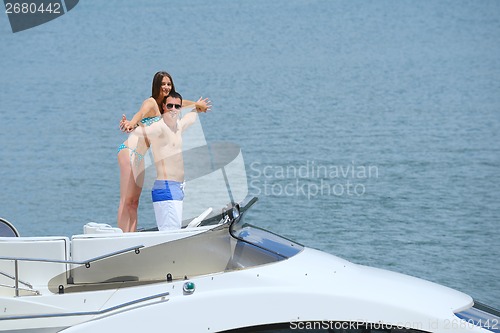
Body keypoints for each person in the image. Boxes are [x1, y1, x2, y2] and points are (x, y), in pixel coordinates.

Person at [117, 71, 210, 232]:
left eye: (169, 84)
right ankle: (120, 239)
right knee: (126, 200)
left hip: (139, 156)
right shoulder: (151, 103)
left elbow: (182, 103)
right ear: (157, 86)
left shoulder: (166, 106)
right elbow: (140, 113)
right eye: (163, 84)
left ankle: (130, 237)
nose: (166, 87)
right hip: (129, 151)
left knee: (134, 202)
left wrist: (197, 105)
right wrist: (131, 123)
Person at [147, 91, 210, 231]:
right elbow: (144, 125)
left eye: (177, 107)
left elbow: (191, 117)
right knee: (170, 236)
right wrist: (131, 124)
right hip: (166, 188)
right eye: (170, 106)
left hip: (178, 187)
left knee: (172, 232)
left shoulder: (178, 127)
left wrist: (198, 107)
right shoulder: (159, 127)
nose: (173, 110)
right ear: (163, 107)